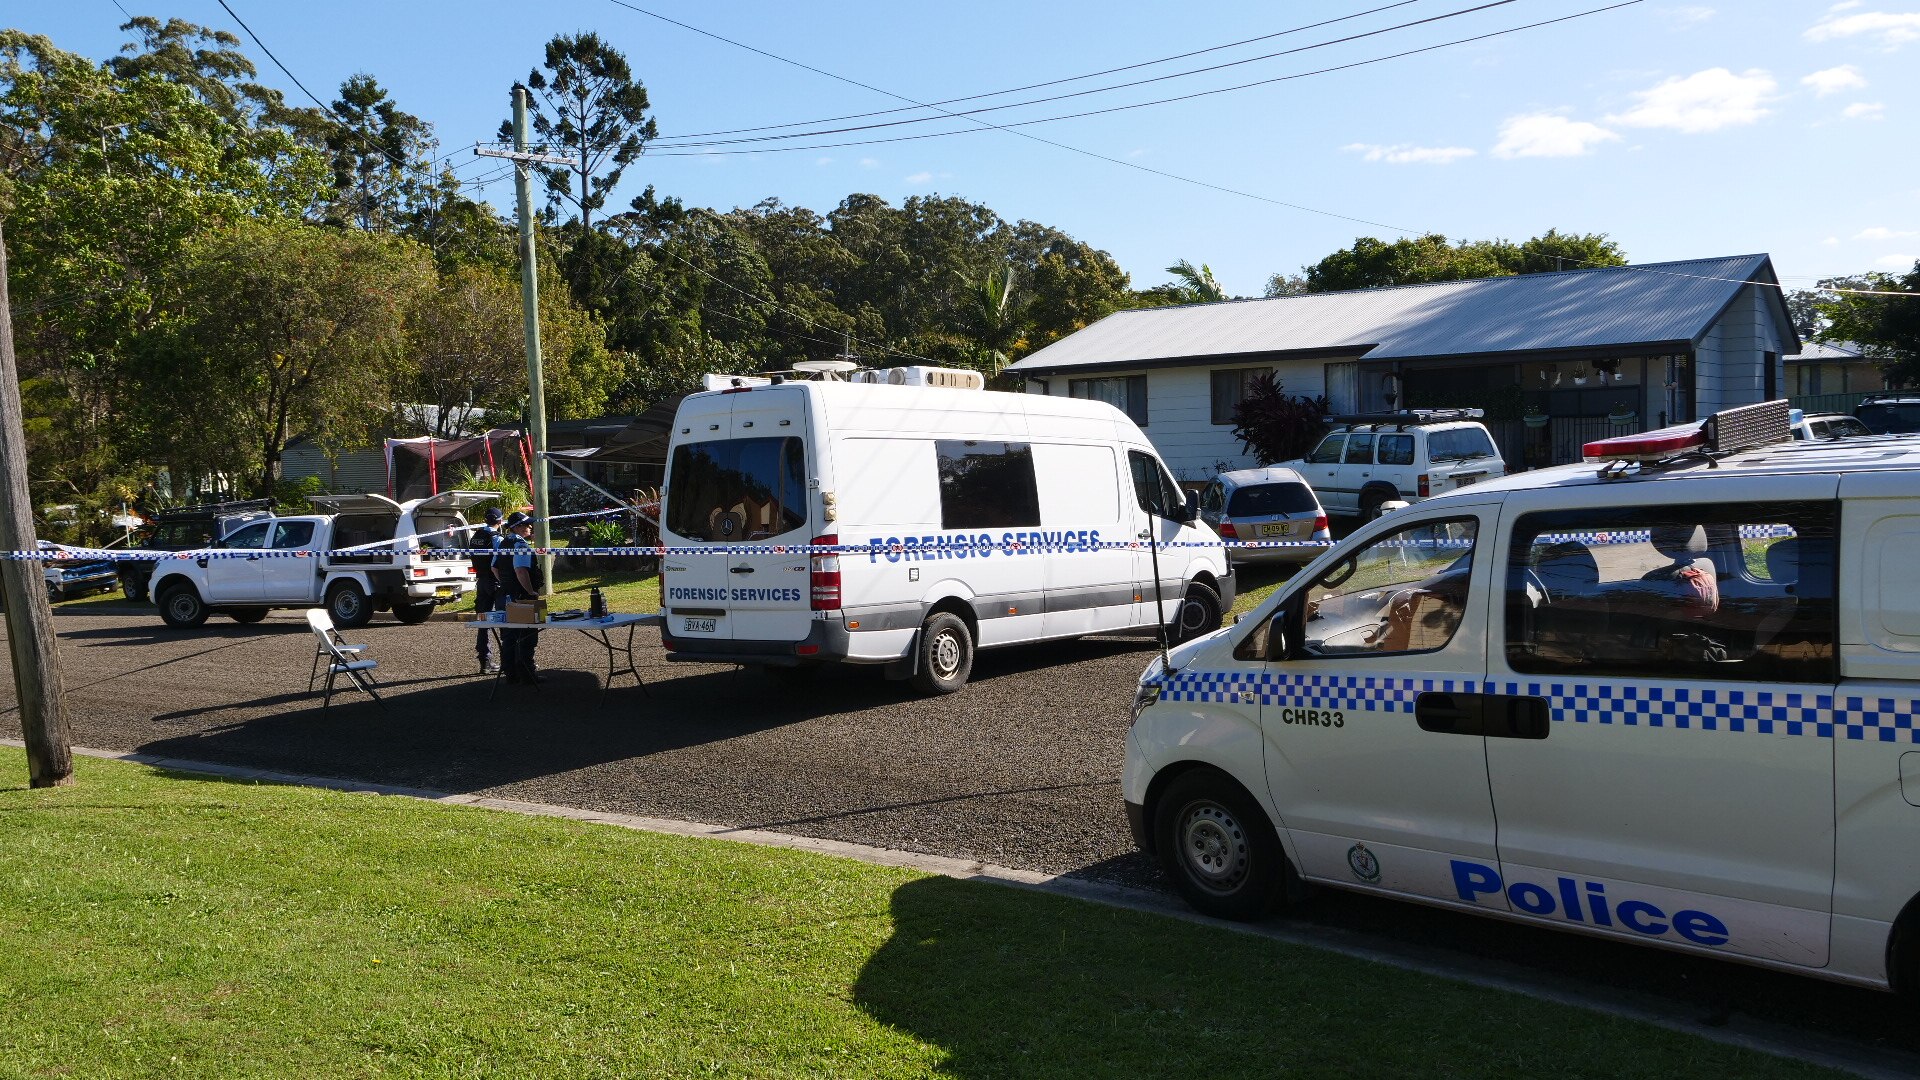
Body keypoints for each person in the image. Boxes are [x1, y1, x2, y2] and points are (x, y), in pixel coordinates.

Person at [492, 511, 544, 684]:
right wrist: (530, 591)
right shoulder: (521, 546)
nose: (530, 527)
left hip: (504, 595)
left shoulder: (503, 543)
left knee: (508, 637)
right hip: (522, 598)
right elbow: (520, 570)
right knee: (528, 636)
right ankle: (528, 674)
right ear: (518, 527)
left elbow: (494, 568)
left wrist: (507, 584)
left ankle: (511, 675)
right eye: (527, 524)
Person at [470, 506, 504, 674]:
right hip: (495, 582)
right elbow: (498, 562)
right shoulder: (496, 538)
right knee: (505, 619)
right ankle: (509, 661)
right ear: (500, 521)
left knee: (483, 621)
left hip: (481, 582)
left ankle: (485, 661)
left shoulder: (476, 536)